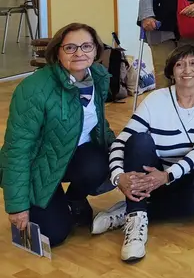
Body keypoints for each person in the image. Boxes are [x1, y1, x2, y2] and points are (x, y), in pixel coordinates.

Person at [92, 45, 194, 263]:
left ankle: (130, 211)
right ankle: (135, 223)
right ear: (171, 71)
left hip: (186, 174)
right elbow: (121, 142)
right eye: (179, 64)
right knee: (139, 140)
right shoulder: (156, 99)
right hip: (151, 170)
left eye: (193, 63)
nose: (186, 70)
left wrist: (166, 176)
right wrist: (118, 177)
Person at [1, 23, 114, 247]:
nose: (79, 53)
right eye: (70, 47)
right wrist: (17, 206)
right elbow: (18, 149)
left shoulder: (98, 76)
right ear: (57, 52)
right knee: (52, 235)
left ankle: (72, 199)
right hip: (38, 166)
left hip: (73, 155)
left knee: (103, 161)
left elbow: (99, 123)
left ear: (96, 50)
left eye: (86, 46)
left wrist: (120, 153)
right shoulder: (34, 88)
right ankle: (53, 201)